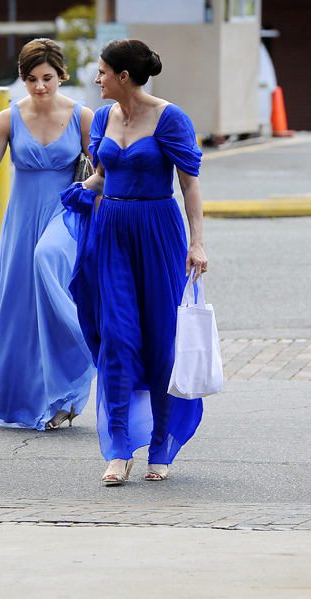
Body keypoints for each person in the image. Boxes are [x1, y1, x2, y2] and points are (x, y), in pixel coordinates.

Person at [61, 39, 208, 485]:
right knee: (117, 339)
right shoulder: (103, 118)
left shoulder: (171, 117)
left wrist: (197, 244)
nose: (97, 79)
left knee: (162, 343)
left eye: (103, 71)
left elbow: (190, 186)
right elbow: (104, 175)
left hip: (158, 231)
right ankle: (120, 446)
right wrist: (85, 190)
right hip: (112, 231)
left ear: (124, 76)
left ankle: (161, 444)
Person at [0, 38, 96, 430]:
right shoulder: (8, 118)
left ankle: (89, 345)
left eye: (47, 78)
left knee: (47, 266)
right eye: (31, 79)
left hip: (64, 215)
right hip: (20, 218)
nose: (40, 87)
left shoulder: (83, 116)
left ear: (61, 75)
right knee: (20, 312)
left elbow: (104, 170)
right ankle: (41, 402)